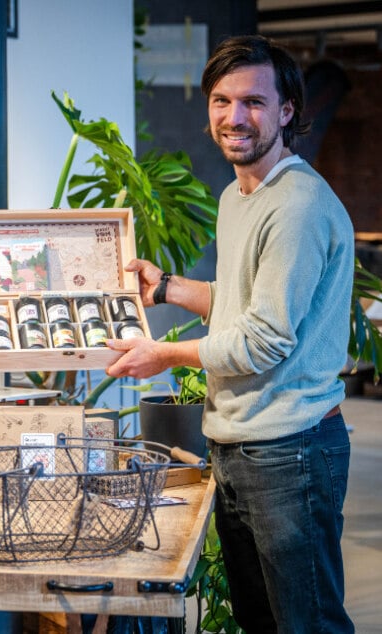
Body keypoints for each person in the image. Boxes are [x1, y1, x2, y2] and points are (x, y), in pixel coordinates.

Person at [106, 35, 354, 633]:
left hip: (289, 448)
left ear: (287, 111)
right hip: (241, 445)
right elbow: (242, 305)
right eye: (222, 101)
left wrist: (164, 354)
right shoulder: (238, 195)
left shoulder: (295, 206)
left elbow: (263, 339)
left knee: (307, 624)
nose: (234, 117)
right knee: (260, 621)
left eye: (254, 102)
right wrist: (164, 287)